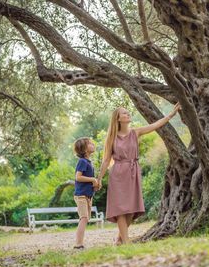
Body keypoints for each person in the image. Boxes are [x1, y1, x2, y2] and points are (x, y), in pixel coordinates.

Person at [96, 104, 181, 245]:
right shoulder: (112, 137)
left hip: (133, 172)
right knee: (121, 209)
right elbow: (106, 160)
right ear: (117, 119)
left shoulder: (135, 132)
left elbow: (156, 125)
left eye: (128, 113)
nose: (128, 114)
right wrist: (99, 179)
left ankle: (119, 238)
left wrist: (171, 114)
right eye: (124, 113)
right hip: (118, 174)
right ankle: (127, 242)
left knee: (132, 209)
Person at [73, 137, 99, 249]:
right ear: (84, 149)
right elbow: (78, 177)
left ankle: (80, 242)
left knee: (85, 218)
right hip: (81, 195)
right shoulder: (82, 161)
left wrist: (95, 185)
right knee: (83, 218)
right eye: (89, 143)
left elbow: (88, 179)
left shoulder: (89, 162)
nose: (92, 144)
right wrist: (93, 179)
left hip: (88, 195)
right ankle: (78, 244)